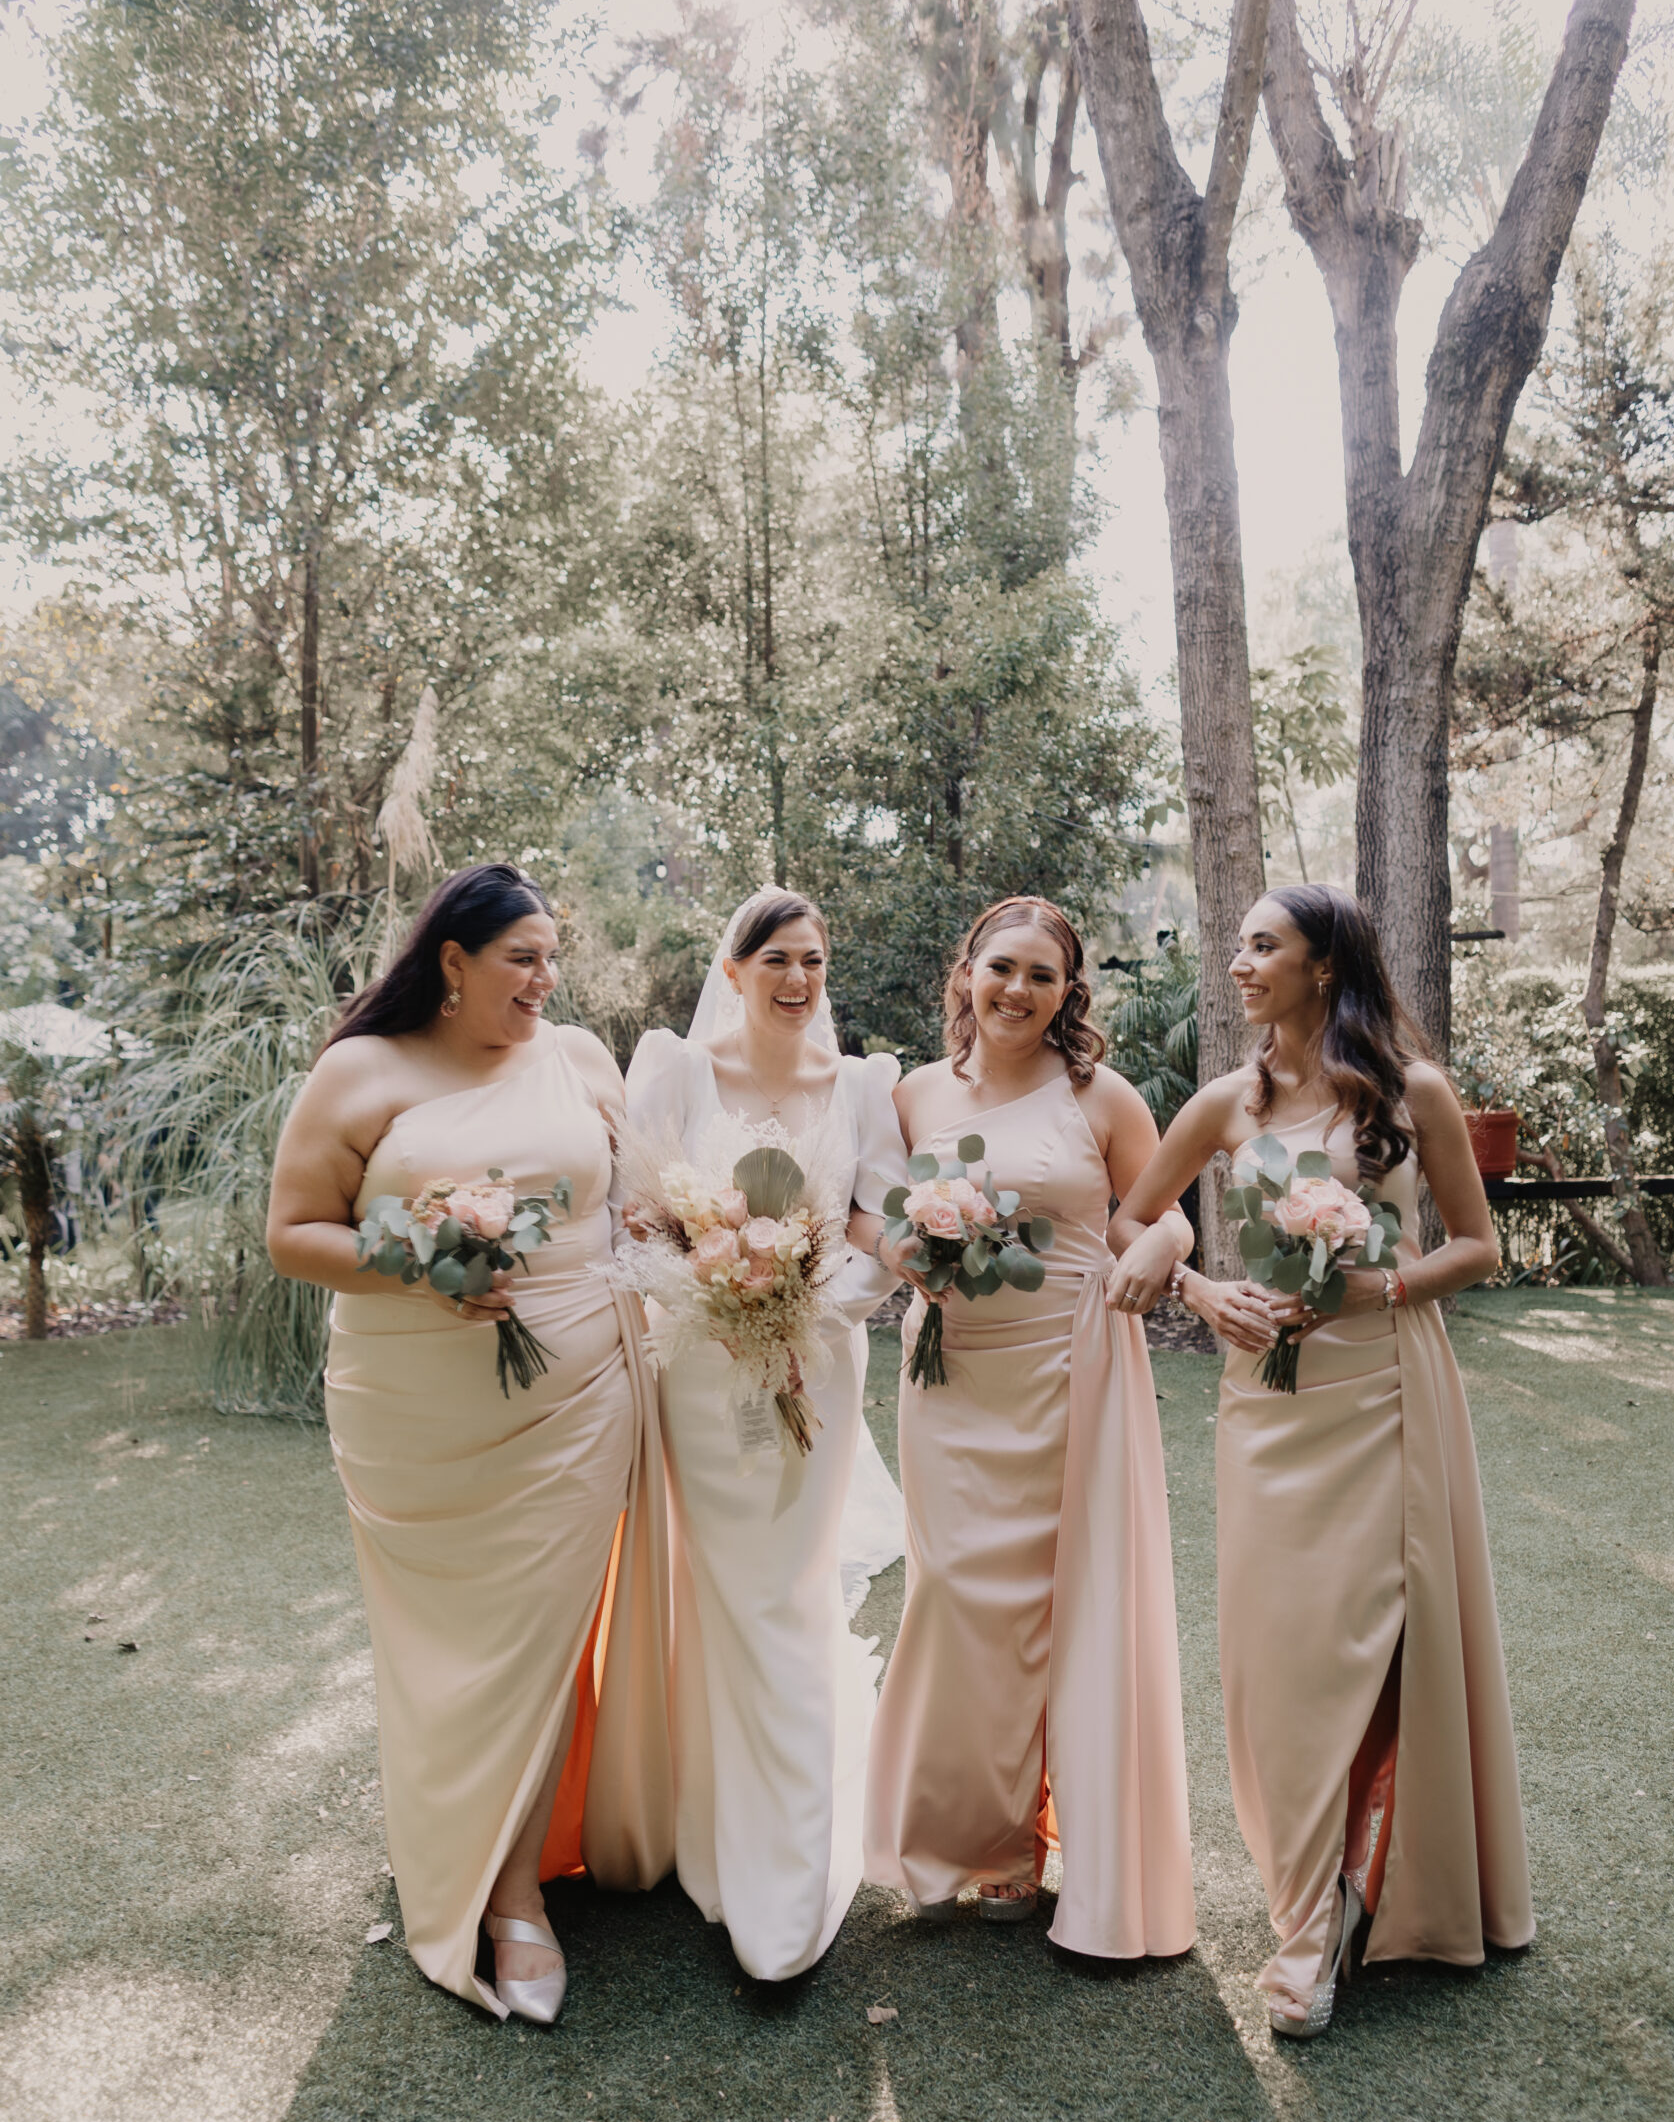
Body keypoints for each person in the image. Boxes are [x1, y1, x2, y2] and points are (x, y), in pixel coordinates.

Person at [1107, 884, 1534, 2038]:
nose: (1239, 963)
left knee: (1384, 1641)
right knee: (1278, 1661)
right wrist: (1196, 1287)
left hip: (1386, 1390)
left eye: (1264, 945)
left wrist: (1375, 1286)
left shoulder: (1412, 1091)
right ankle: (1307, 1887)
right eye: (1240, 945)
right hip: (1266, 1404)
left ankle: (1326, 1919)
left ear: (1325, 966)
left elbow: (1477, 1248)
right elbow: (1130, 1219)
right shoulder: (1223, 1103)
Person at [267, 863, 672, 2025]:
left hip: (580, 1389)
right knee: (445, 1646)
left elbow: (632, 1209)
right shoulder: (363, 1070)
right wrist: (420, 1261)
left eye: (553, 957)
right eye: (521, 958)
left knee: (540, 1632)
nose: (546, 978)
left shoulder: (580, 1059)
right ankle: (459, 1841)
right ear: (453, 960)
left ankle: (513, 1895)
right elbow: (294, 1233)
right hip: (413, 1411)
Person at [863, 896, 1198, 1959]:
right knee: (957, 1597)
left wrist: (1167, 1246)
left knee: (1069, 1604)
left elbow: (1159, 1210)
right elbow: (867, 1209)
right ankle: (969, 1835)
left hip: (1072, 1365)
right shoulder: (912, 1094)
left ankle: (1055, 1852)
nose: (1017, 990)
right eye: (1001, 967)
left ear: (1066, 993)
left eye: (1041, 976)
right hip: (953, 1369)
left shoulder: (1102, 1095)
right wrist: (901, 1251)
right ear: (967, 972)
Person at [623, 888, 907, 1981]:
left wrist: (803, 1308)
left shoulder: (864, 1084)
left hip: (815, 1363)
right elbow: (633, 1220)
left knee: (788, 1588)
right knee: (724, 1592)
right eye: (775, 958)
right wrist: (719, 1296)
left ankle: (790, 1875)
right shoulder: (675, 1071)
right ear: (732, 970)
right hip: (701, 1371)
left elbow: (880, 1229)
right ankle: (716, 1834)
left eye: (813, 961)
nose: (797, 979)